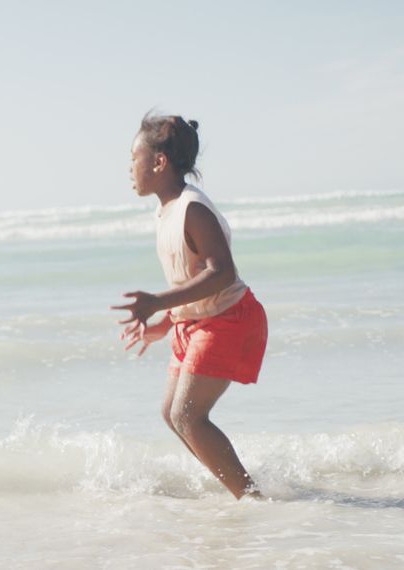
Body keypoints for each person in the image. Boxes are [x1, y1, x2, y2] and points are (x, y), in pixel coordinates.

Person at [110, 111, 269, 500]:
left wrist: (158, 301)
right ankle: (236, 487)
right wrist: (166, 321)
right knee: (172, 415)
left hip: (228, 319)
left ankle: (250, 499)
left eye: (134, 158)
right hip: (196, 322)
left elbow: (222, 274)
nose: (129, 167)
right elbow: (190, 275)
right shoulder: (166, 209)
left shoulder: (192, 208)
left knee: (188, 415)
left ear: (159, 162)